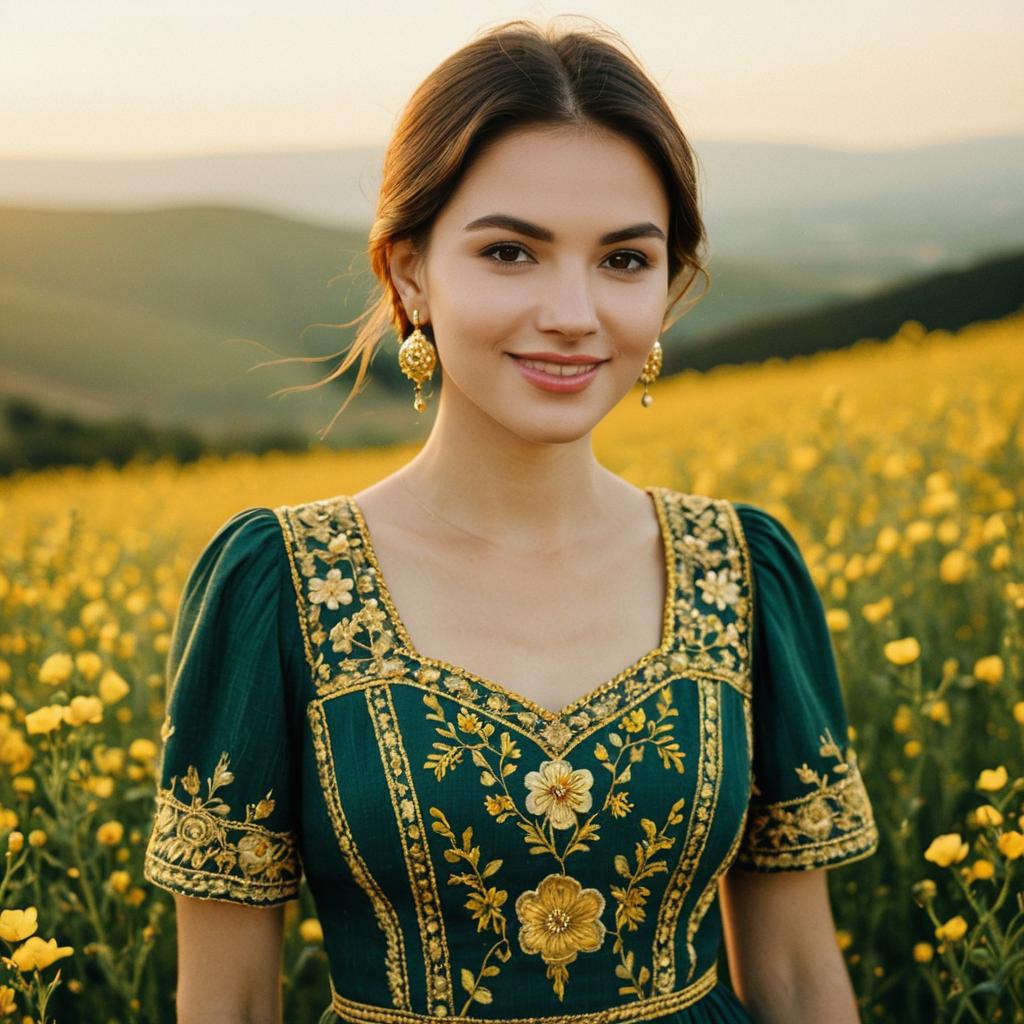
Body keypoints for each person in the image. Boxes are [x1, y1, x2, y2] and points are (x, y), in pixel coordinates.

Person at [143, 17, 879, 1024]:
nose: (574, 310)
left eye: (623, 261)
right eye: (509, 252)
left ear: (667, 289)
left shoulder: (742, 568)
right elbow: (225, 1001)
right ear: (409, 274)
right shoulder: (277, 582)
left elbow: (796, 975)